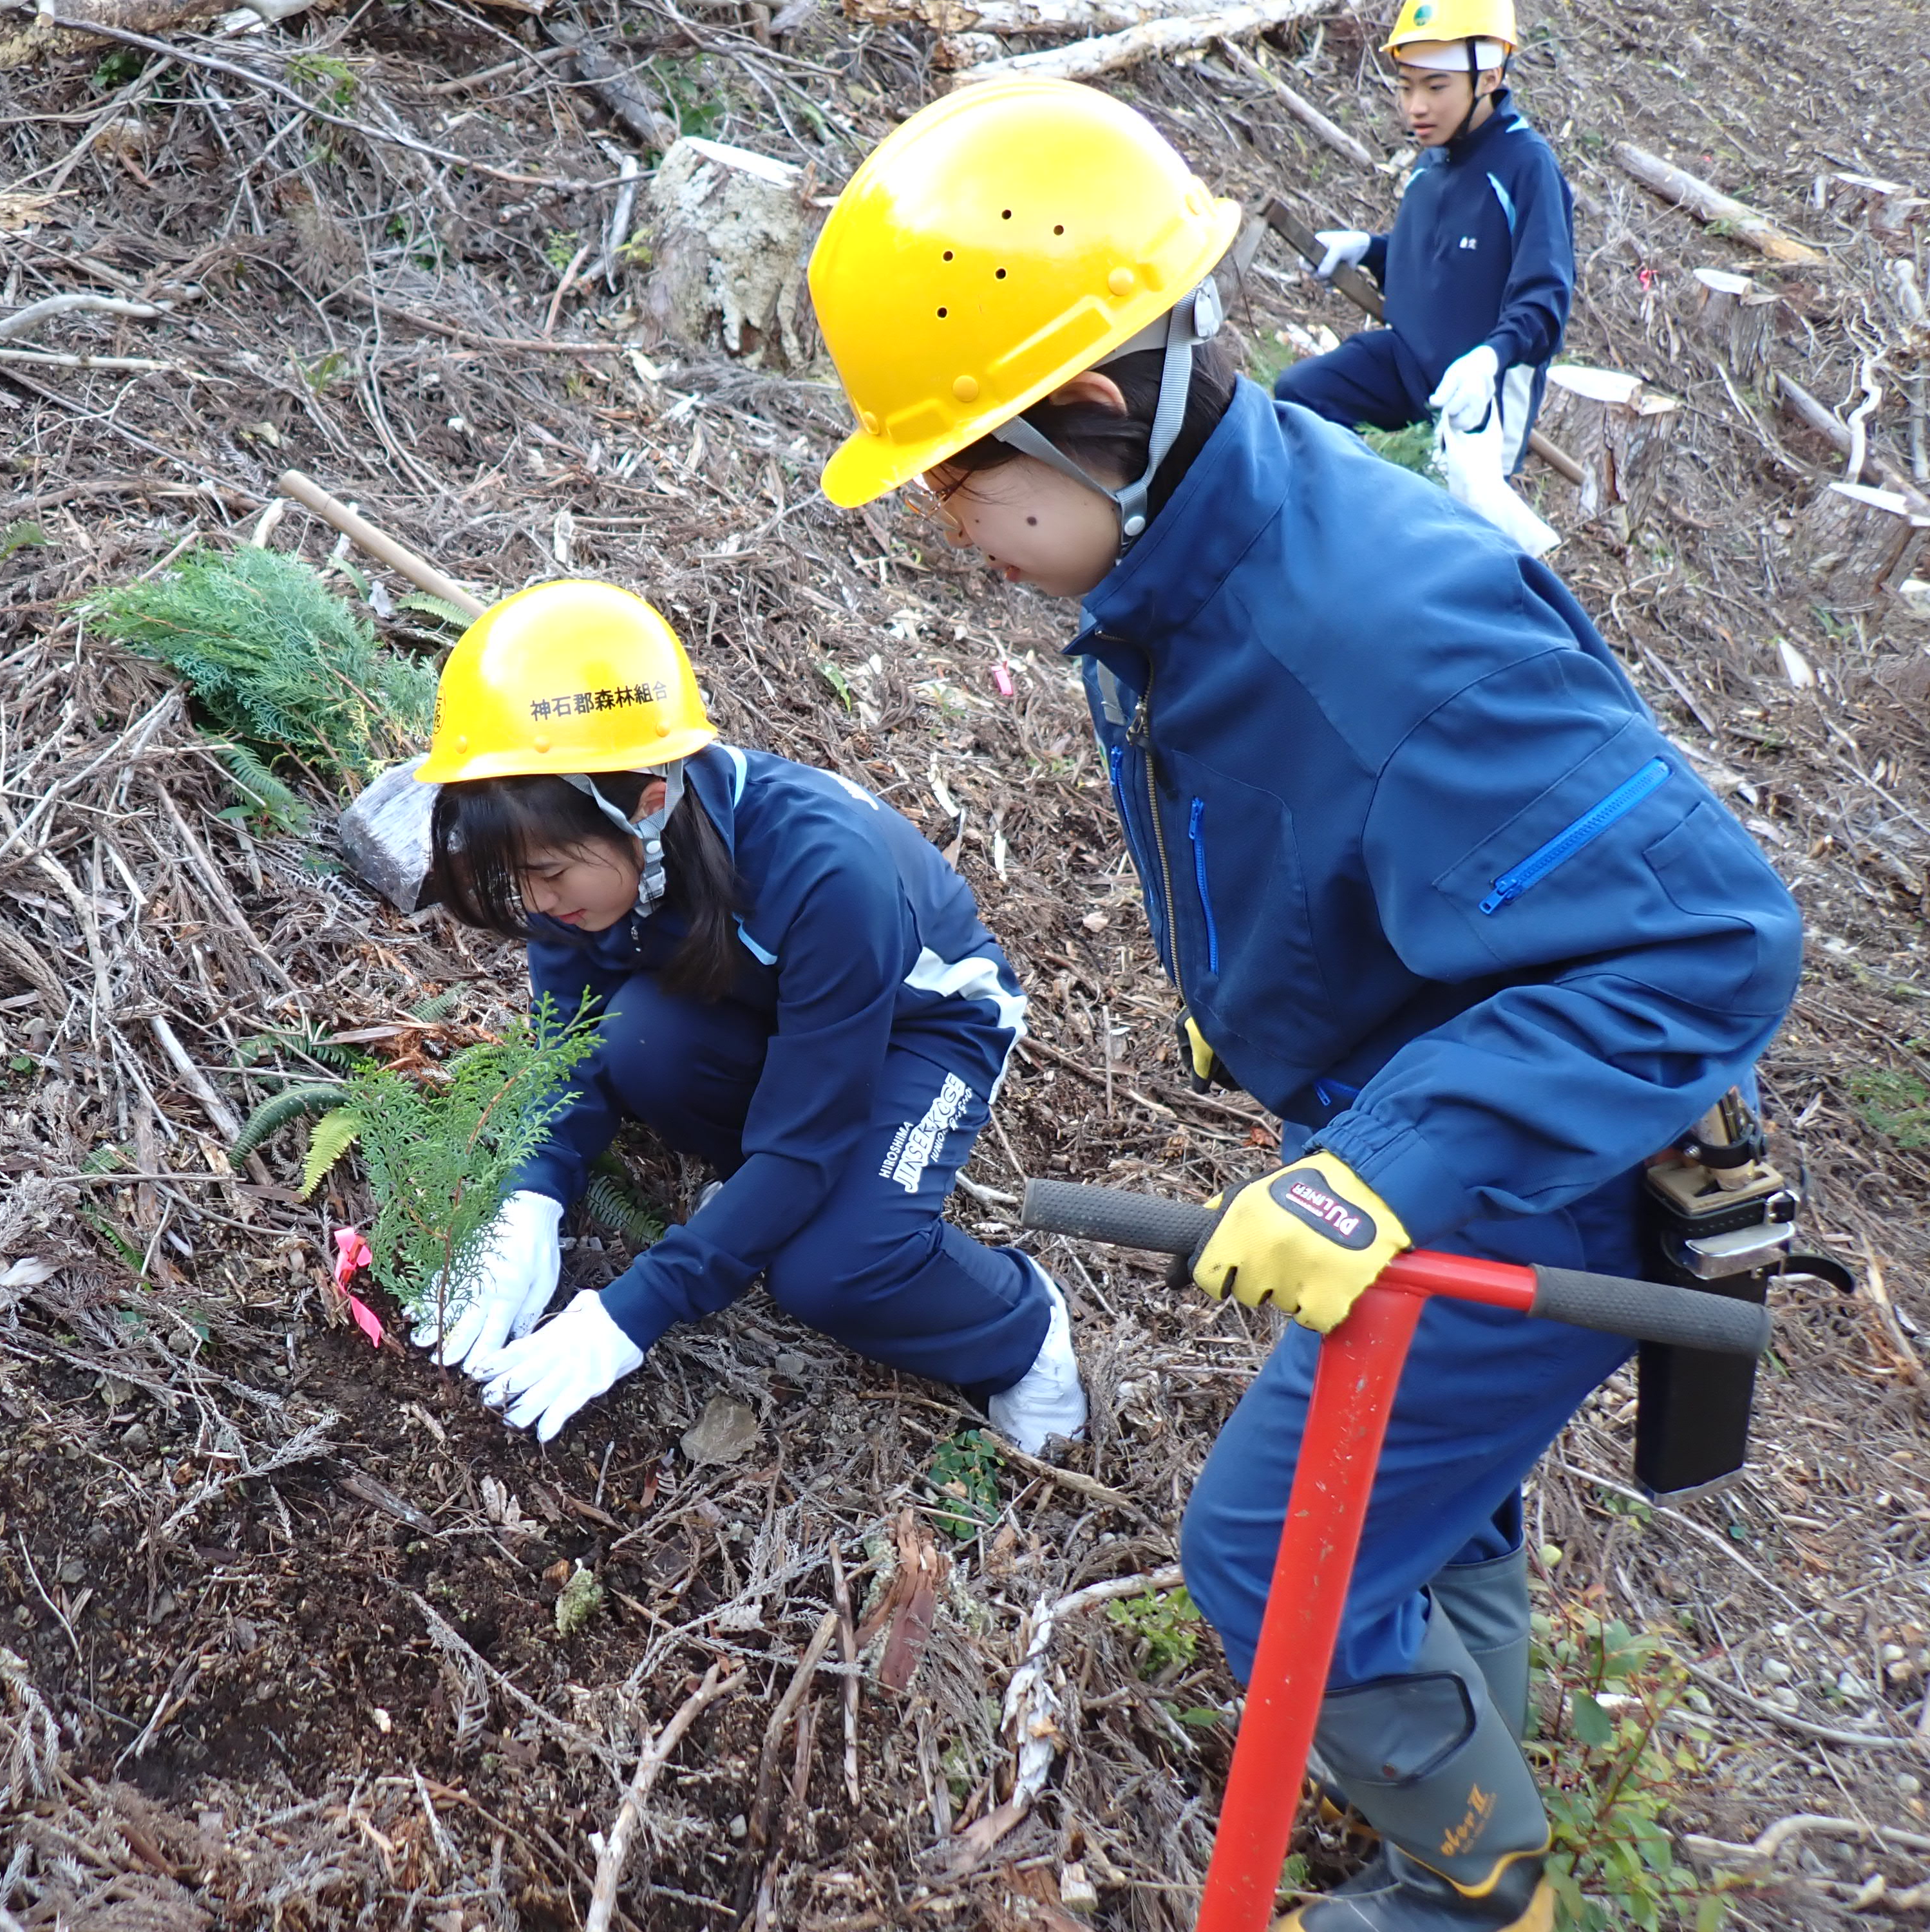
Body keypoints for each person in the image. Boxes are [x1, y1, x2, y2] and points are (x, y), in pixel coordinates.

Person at [804, 79, 1799, 1932]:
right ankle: (1476, 1777)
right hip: (1427, 1107)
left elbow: (1707, 944)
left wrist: (1391, 1167)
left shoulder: (1378, 630)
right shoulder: (1197, 559)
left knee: (1270, 1553)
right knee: (1436, 1512)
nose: (946, 523)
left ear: (1099, 415)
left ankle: (1470, 1891)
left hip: (1538, 1164)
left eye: (954, 473)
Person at [404, 577, 1089, 1458]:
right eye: (512, 879)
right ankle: (770, 1198)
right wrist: (530, 1197)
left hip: (920, 1028)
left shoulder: (822, 874)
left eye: (548, 872)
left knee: (834, 1272)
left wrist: (628, 1314)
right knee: (637, 1039)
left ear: (646, 806)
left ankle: (1021, 1332)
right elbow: (566, 1045)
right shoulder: (586, 871)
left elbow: (807, 1143)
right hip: (772, 1011)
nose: (534, 902)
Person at [1274, 0, 1574, 475]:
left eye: (1436, 86)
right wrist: (1367, 250)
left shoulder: (1526, 167)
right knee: (1301, 395)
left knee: (1453, 525)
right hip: (1407, 362)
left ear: (1489, 78)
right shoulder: (1432, 163)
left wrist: (1488, 360)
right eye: (1406, 86)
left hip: (1481, 393)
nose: (1417, 106)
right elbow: (1439, 270)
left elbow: (1545, 303)